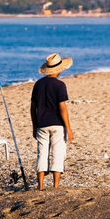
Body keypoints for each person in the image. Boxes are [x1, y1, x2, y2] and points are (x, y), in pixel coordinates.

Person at [31, 53, 74, 191]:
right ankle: (55, 186)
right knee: (58, 153)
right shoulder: (60, 85)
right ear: (59, 69)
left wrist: (34, 125)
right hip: (57, 124)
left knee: (42, 154)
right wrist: (68, 128)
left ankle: (41, 186)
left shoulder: (38, 84)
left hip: (41, 124)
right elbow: (62, 108)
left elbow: (33, 108)